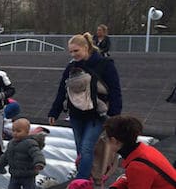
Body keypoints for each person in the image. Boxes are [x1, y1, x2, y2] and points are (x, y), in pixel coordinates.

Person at [48, 32, 122, 180]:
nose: (73, 54)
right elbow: (62, 89)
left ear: (86, 47)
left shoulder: (105, 64)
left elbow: (115, 90)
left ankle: (81, 180)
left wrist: (114, 114)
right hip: (77, 114)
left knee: (87, 147)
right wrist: (54, 111)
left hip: (97, 115)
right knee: (81, 149)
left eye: (76, 51)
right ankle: (86, 177)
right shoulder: (72, 67)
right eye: (71, 52)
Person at [0, 118, 46, 189]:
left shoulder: (30, 143)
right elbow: (6, 156)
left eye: (18, 131)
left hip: (27, 173)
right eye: (13, 131)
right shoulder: (11, 143)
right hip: (15, 173)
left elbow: (36, 154)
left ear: (27, 131)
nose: (15, 133)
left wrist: (39, 163)